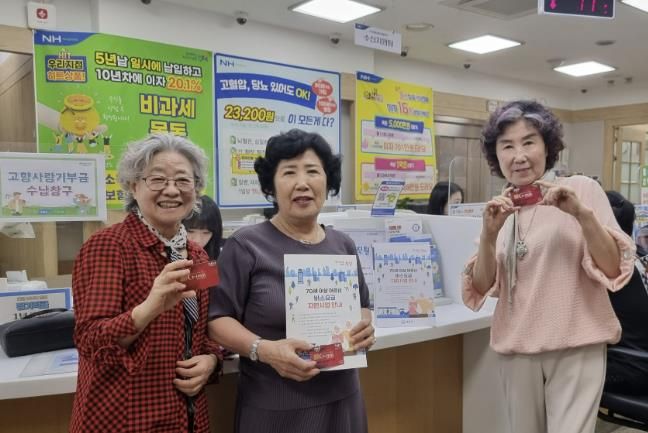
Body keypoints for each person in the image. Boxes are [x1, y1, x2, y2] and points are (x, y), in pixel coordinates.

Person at [461, 100, 635, 433]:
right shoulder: (501, 208)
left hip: (576, 344)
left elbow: (614, 269)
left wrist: (580, 214)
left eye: (529, 142)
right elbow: (482, 286)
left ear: (547, 147)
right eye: (507, 146)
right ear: (496, 155)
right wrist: (489, 235)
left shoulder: (581, 190)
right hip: (516, 347)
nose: (519, 155)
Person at [208, 129, 375, 433]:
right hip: (275, 405)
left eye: (312, 171)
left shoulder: (343, 244)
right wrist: (264, 350)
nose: (302, 183)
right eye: (289, 172)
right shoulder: (246, 245)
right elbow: (217, 319)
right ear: (271, 186)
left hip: (343, 396)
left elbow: (363, 306)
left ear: (328, 181)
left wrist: (363, 327)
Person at [71, 133, 222, 433]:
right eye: (157, 179)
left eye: (183, 180)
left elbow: (203, 331)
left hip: (187, 417)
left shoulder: (198, 255)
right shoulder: (107, 246)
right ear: (133, 185)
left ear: (196, 189)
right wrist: (149, 309)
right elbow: (89, 341)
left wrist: (210, 360)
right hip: (123, 418)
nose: (172, 190)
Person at [605, 191, 648, 395]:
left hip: (629, 369)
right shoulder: (633, 261)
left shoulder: (607, 269)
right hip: (639, 362)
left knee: (553, 373)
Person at [183, 195, 223, 260]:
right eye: (190, 231)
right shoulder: (166, 257)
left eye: (206, 233)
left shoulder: (223, 259)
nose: (197, 240)